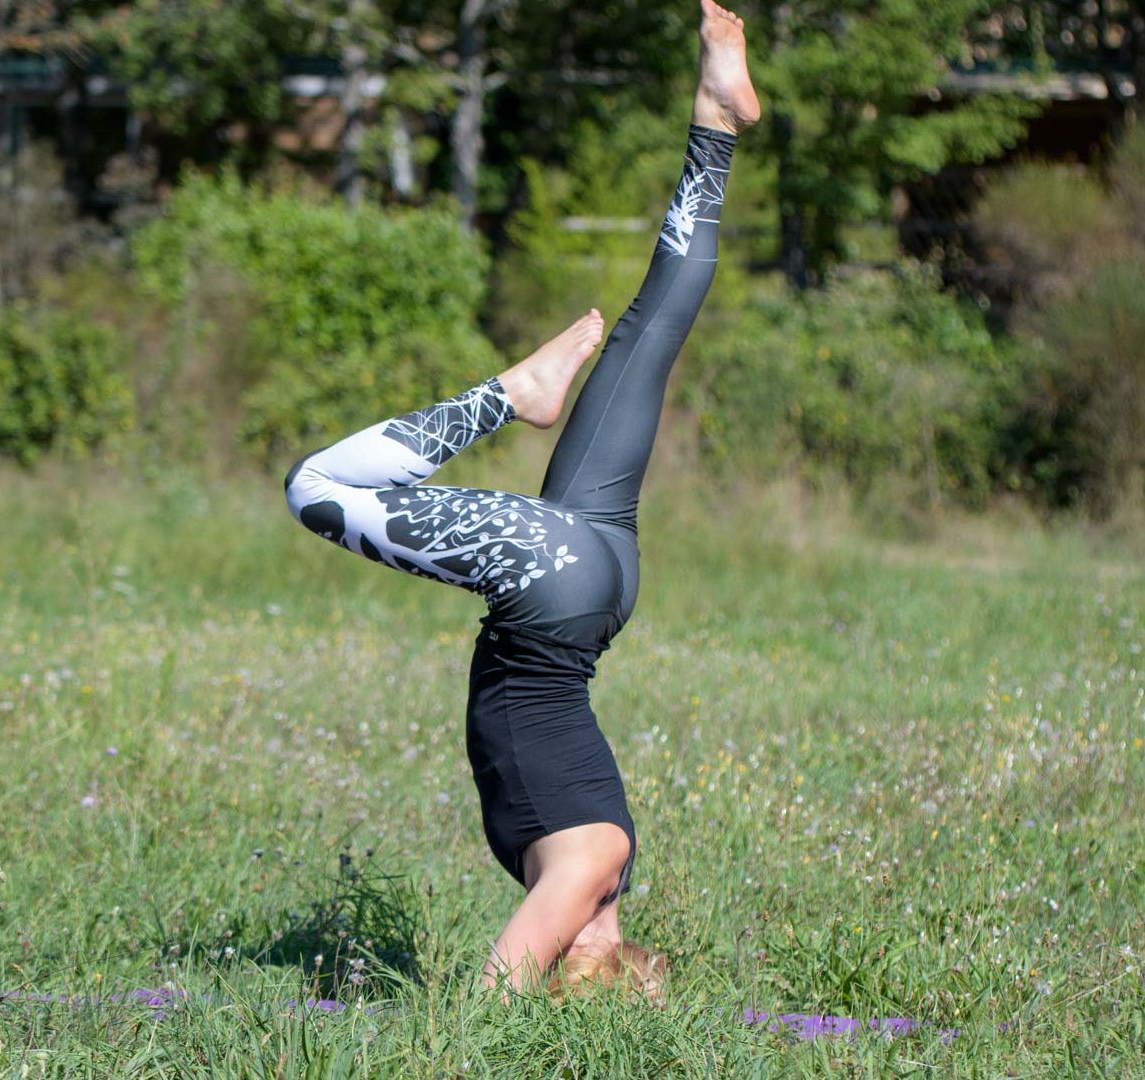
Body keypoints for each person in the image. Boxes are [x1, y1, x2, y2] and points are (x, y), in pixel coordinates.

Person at [283, 0, 760, 998]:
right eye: (564, 971)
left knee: (647, 333)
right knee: (317, 489)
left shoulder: (603, 865)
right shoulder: (586, 869)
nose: (544, 953)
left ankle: (714, 112)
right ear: (594, 966)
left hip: (593, 581)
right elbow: (483, 1007)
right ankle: (512, 393)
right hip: (559, 585)